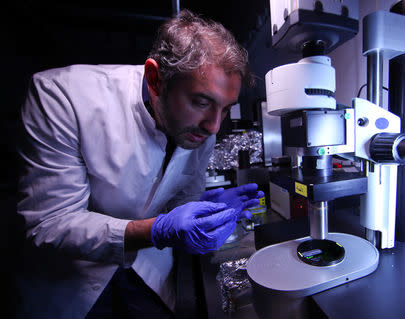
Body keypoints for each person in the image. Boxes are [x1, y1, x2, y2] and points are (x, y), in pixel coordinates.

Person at [15, 9, 263, 319]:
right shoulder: (62, 97)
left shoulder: (203, 126)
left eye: (225, 109)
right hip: (72, 283)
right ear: (155, 79)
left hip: (148, 271)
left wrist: (204, 208)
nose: (214, 126)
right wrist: (159, 231)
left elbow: (179, 201)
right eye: (201, 101)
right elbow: (49, 224)